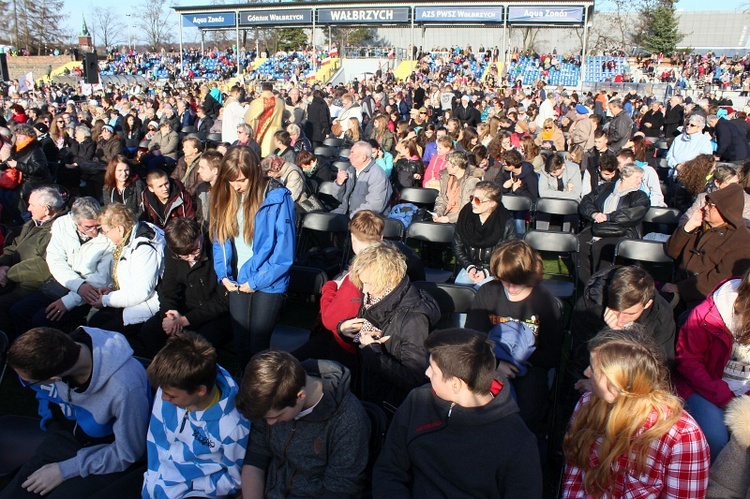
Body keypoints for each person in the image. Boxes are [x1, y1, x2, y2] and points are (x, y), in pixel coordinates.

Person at [373, 329, 542, 497]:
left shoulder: (518, 443)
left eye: (433, 369)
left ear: (455, 384)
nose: (427, 373)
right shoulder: (418, 402)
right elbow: (389, 470)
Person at [0, 326, 151, 499]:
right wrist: (51, 423)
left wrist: (64, 470)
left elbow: (128, 453)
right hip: (65, 437)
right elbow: (44, 393)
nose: (26, 384)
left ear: (55, 379)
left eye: (28, 381)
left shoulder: (125, 388)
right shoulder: (61, 349)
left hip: (108, 455)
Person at [563, 328, 710, 497]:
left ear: (617, 384)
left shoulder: (682, 437)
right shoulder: (588, 403)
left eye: (595, 370)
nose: (586, 373)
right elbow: (574, 475)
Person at [237, 350, 370, 499]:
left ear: (300, 396)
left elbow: (340, 488)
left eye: (277, 416)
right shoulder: (270, 398)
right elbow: (256, 458)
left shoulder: (348, 420)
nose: (270, 423)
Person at [210, 146, 296, 370]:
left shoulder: (277, 197)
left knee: (258, 345)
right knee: (240, 343)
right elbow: (220, 240)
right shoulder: (225, 196)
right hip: (238, 279)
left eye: (242, 180)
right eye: (232, 180)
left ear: (255, 173)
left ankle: (261, 393)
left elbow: (283, 252)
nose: (237, 186)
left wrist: (256, 282)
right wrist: (224, 275)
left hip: (269, 281)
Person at [465, 240, 563, 431]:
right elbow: (473, 338)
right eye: (505, 281)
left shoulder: (545, 302)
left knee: (526, 409)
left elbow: (551, 354)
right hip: (489, 360)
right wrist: (496, 363)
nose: (511, 288)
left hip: (531, 364)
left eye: (518, 282)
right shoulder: (488, 292)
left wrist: (516, 361)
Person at [143, 331, 250, 498]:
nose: (163, 398)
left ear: (200, 390)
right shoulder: (171, 383)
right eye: (162, 391)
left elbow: (236, 480)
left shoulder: (234, 427)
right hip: (151, 482)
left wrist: (191, 485)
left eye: (171, 396)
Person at [343, 242, 440, 409]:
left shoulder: (414, 319)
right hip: (369, 392)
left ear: (390, 278)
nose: (364, 290)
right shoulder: (377, 297)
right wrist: (343, 328)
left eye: (369, 283)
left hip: (391, 407)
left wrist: (371, 351)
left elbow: (412, 378)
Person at [674, 268, 750, 462]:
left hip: (745, 392)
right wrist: (726, 398)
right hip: (706, 389)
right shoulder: (709, 314)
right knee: (716, 438)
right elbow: (688, 361)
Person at [10, 197, 113, 334]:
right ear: (75, 222)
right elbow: (55, 260)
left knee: (41, 320)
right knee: (18, 311)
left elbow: (102, 278)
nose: (95, 232)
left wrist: (69, 301)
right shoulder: (62, 224)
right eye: (88, 227)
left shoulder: (107, 235)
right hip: (63, 283)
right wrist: (78, 285)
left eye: (97, 226)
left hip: (89, 292)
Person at [139, 217, 230, 356]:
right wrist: (170, 314)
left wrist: (185, 321)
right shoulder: (172, 254)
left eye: (195, 249)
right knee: (149, 332)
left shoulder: (216, 250)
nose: (192, 257)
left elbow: (223, 300)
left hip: (213, 313)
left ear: (200, 236)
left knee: (197, 345)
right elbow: (168, 289)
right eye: (185, 255)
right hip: (184, 308)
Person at [665, 183, 750, 309]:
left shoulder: (743, 240)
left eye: (711, 205)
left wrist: (680, 289)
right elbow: (672, 251)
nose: (705, 208)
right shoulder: (700, 226)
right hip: (677, 290)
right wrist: (689, 226)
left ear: (725, 209)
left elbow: (721, 279)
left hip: (704, 303)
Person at [88, 203, 166, 336]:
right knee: (94, 322)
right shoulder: (128, 238)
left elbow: (141, 292)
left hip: (149, 304)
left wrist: (105, 300)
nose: (105, 235)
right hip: (132, 299)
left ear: (119, 229)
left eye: (106, 231)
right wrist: (112, 289)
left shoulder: (144, 247)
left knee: (102, 332)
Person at [0, 186, 66, 338]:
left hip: (32, 284)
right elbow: (13, 247)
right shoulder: (32, 224)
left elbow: (42, 266)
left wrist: (8, 273)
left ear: (47, 209)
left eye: (32, 205)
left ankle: (12, 344)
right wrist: (3, 265)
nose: (28, 208)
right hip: (11, 275)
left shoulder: (56, 230)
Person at [577, 163, 650, 285]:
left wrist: (609, 216)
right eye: (637, 178)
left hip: (623, 231)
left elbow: (634, 213)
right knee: (580, 243)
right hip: (597, 226)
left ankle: (600, 285)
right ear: (625, 177)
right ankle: (586, 284)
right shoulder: (605, 188)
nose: (640, 182)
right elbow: (586, 201)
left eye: (641, 178)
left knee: (600, 248)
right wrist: (594, 214)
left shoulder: (640, 196)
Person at [453, 181, 517, 288]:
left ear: (492, 203)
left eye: (477, 200)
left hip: (495, 271)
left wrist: (487, 272)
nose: (472, 203)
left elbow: (508, 255)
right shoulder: (465, 215)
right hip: (470, 267)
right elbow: (457, 245)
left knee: (481, 294)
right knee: (459, 294)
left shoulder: (506, 222)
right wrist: (469, 267)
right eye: (471, 198)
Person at [331, 141, 393, 217]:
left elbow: (374, 206)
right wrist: (339, 184)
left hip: (366, 220)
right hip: (345, 212)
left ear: (363, 157)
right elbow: (340, 198)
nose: (349, 156)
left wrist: (351, 217)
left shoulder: (377, 175)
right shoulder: (351, 170)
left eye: (352, 153)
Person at [431, 151, 479, 224]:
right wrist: (438, 213)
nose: (446, 166)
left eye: (448, 164)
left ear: (456, 167)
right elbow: (442, 199)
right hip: (445, 215)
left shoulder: (471, 182)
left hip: (460, 221)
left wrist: (448, 219)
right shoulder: (446, 177)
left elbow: (466, 209)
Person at [245, 82, 285, 157]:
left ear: (262, 90)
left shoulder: (256, 102)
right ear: (272, 89)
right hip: (276, 133)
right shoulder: (280, 102)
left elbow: (248, 118)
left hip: (260, 132)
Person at [194, 149, 222, 226]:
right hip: (206, 232)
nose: (198, 171)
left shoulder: (228, 190)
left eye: (202, 168)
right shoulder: (201, 189)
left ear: (215, 170)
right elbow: (199, 215)